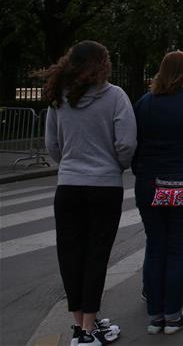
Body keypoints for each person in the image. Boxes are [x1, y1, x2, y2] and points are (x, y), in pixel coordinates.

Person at [39, 40, 136, 346]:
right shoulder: (116, 96)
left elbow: (52, 144)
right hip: (104, 187)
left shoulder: (59, 98)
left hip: (68, 186)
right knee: (96, 255)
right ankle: (88, 328)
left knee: (70, 254)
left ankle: (79, 323)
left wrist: (69, 164)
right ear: (101, 64)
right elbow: (126, 144)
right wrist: (115, 166)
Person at [132, 51, 183, 335]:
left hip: (150, 183)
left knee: (155, 246)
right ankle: (173, 315)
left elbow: (136, 143)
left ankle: (155, 316)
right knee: (179, 250)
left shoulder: (145, 103)